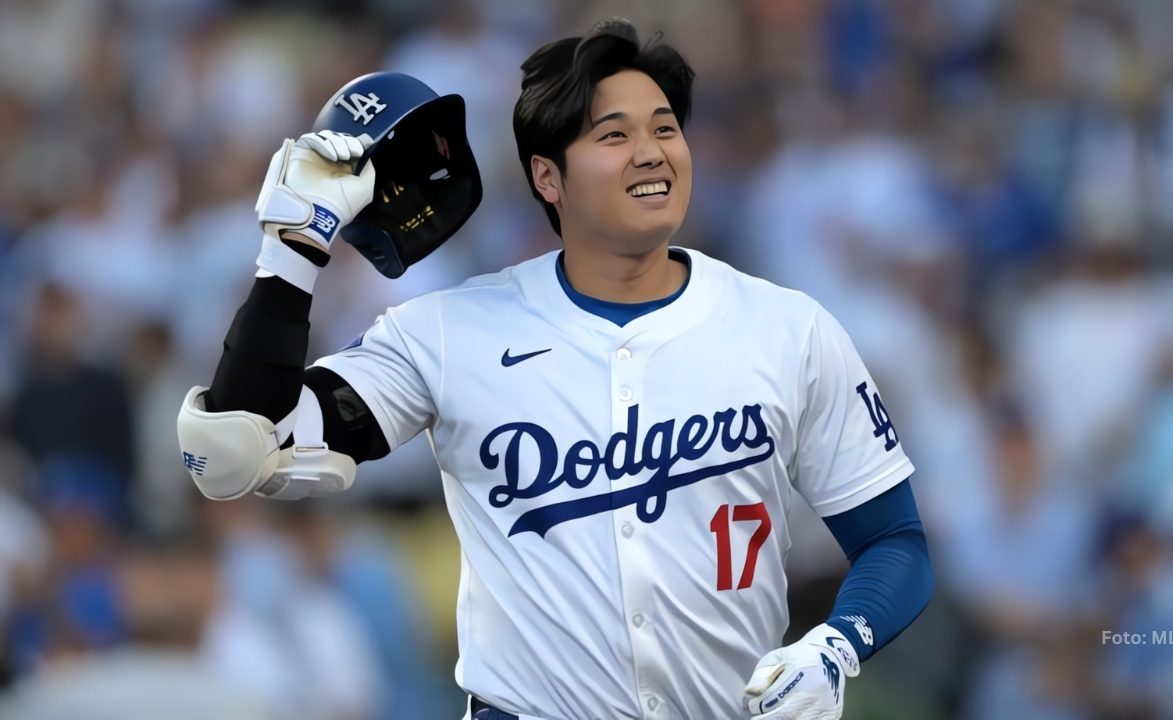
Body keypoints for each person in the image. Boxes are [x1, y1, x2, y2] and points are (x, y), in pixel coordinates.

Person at [176, 19, 933, 720]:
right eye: (614, 134)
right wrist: (293, 249)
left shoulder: (788, 328)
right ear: (547, 177)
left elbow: (896, 541)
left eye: (665, 128)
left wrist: (837, 645)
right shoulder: (448, 333)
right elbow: (238, 448)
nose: (651, 152)